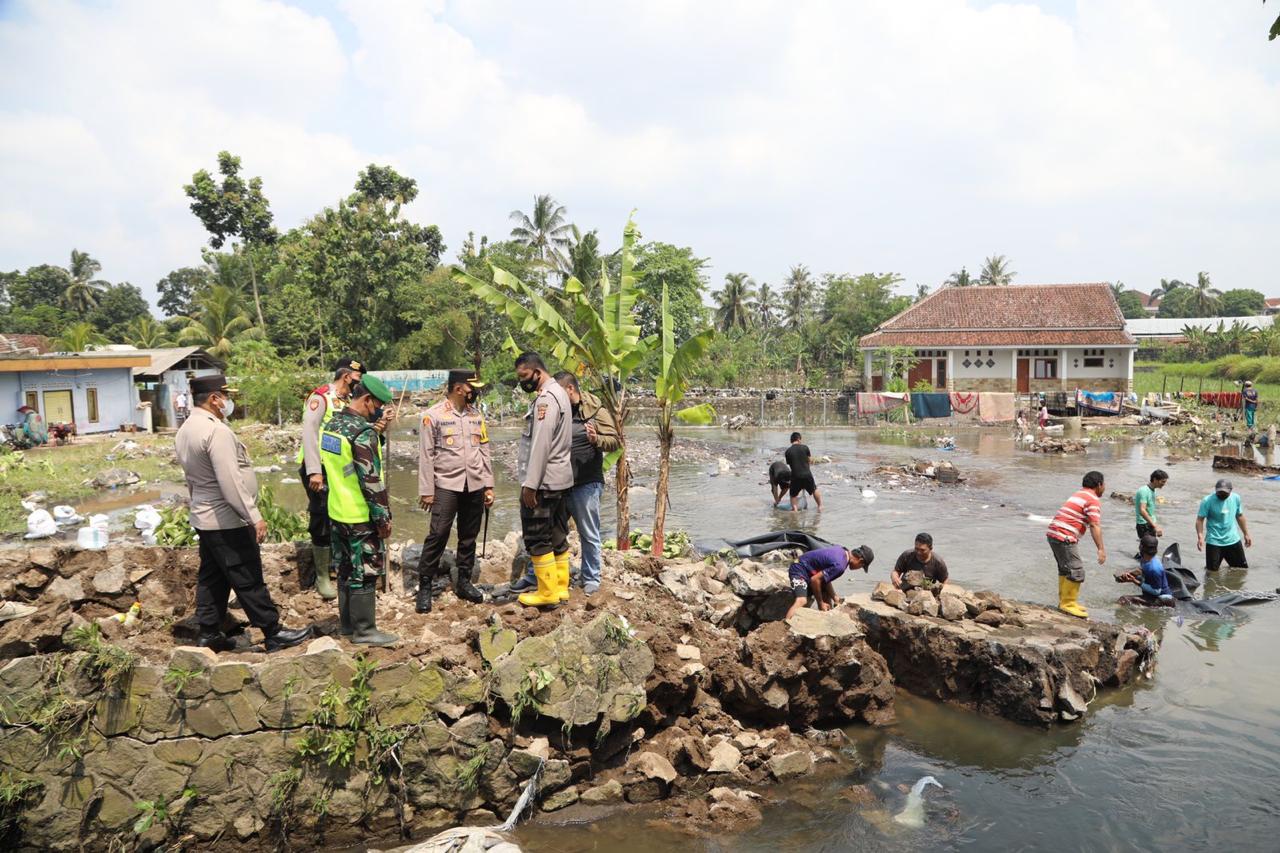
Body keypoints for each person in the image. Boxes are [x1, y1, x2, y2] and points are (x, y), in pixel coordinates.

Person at [174, 375, 310, 653]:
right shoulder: (217, 431)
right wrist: (253, 516)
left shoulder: (186, 428)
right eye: (224, 395)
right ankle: (273, 632)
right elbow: (231, 481)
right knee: (248, 575)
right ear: (214, 399)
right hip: (226, 519)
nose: (228, 401)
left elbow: (191, 479)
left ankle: (210, 632)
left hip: (205, 516)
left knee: (213, 577)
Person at [321, 377, 399, 645]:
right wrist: (383, 517)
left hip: (336, 511)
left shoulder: (332, 426)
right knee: (365, 572)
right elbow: (371, 480)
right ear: (367, 400)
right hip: (359, 515)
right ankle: (365, 631)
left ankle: (347, 626)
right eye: (377, 405)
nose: (377, 410)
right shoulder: (362, 433)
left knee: (344, 569)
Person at [414, 369, 493, 613]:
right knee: (438, 534)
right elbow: (426, 455)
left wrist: (489, 484)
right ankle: (425, 586)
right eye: (472, 388)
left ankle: (464, 581)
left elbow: (484, 450)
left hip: (475, 484)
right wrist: (427, 490)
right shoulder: (432, 416)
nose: (475, 392)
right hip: (446, 484)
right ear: (459, 388)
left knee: (469, 535)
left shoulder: (476, 416)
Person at [296, 356, 364, 601]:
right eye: (357, 379)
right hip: (319, 468)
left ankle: (339, 566)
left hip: (340, 468)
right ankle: (322, 576)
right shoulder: (321, 397)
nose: (359, 383)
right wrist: (314, 470)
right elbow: (309, 432)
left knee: (339, 513)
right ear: (347, 377)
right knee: (321, 515)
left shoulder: (348, 401)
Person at [512, 352, 573, 608]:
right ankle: (560, 588)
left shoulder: (546, 400)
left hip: (545, 482)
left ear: (537, 372)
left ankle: (546, 593)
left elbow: (541, 445)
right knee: (558, 535)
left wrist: (530, 484)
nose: (523, 382)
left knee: (538, 536)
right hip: (561, 479)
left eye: (525, 377)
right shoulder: (560, 394)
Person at [554, 371, 620, 595]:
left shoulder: (595, 411)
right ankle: (553, 575)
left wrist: (596, 439)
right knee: (554, 531)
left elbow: (614, 441)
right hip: (560, 483)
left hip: (586, 483)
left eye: (559, 392)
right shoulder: (558, 411)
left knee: (589, 533)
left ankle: (591, 577)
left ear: (570, 389)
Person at [1046, 470, 1107, 619]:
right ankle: (1068, 604)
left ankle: (1065, 601)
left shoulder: (1079, 494)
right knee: (1076, 570)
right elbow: (1094, 525)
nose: (1105, 488)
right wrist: (1101, 549)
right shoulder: (1092, 499)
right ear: (1099, 485)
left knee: (1065, 569)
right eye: (1104, 484)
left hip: (1054, 533)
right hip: (1064, 536)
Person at [785, 544, 873, 619]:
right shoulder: (840, 566)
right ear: (860, 560)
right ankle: (786, 626)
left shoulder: (842, 551)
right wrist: (820, 603)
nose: (859, 569)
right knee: (802, 600)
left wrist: (835, 598)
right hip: (799, 569)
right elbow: (815, 580)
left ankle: (826, 619)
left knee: (826, 593)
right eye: (861, 566)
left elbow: (825, 579)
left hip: (809, 570)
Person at [1196, 478, 1252, 572]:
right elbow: (1199, 520)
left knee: (1241, 571)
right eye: (1219, 492)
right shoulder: (1207, 501)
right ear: (1215, 490)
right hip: (1214, 541)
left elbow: (1240, 516)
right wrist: (1200, 537)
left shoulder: (1236, 498)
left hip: (1233, 540)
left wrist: (1246, 534)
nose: (1222, 495)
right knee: (1211, 573)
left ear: (1231, 490)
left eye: (1225, 493)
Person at [784, 432, 821, 511]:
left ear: (791, 440)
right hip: (807, 474)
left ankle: (795, 510)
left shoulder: (788, 452)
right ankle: (820, 506)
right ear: (798, 439)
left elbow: (790, 464)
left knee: (793, 495)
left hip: (795, 475)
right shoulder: (805, 447)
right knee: (814, 490)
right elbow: (810, 461)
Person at [1134, 469, 1168, 548]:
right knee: (1148, 550)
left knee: (1151, 548)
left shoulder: (1153, 491)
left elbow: (1150, 511)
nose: (1164, 484)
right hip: (1143, 525)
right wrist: (1155, 526)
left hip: (1150, 524)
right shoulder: (1144, 491)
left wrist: (1155, 525)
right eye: (1163, 481)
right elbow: (1142, 510)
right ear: (1155, 479)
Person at [1137, 535, 1173, 605]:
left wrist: (1135, 581)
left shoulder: (1154, 568)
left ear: (1141, 547)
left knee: (1124, 599)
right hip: (1154, 596)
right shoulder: (1144, 559)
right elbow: (1145, 572)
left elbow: (1156, 591)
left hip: (1163, 599)